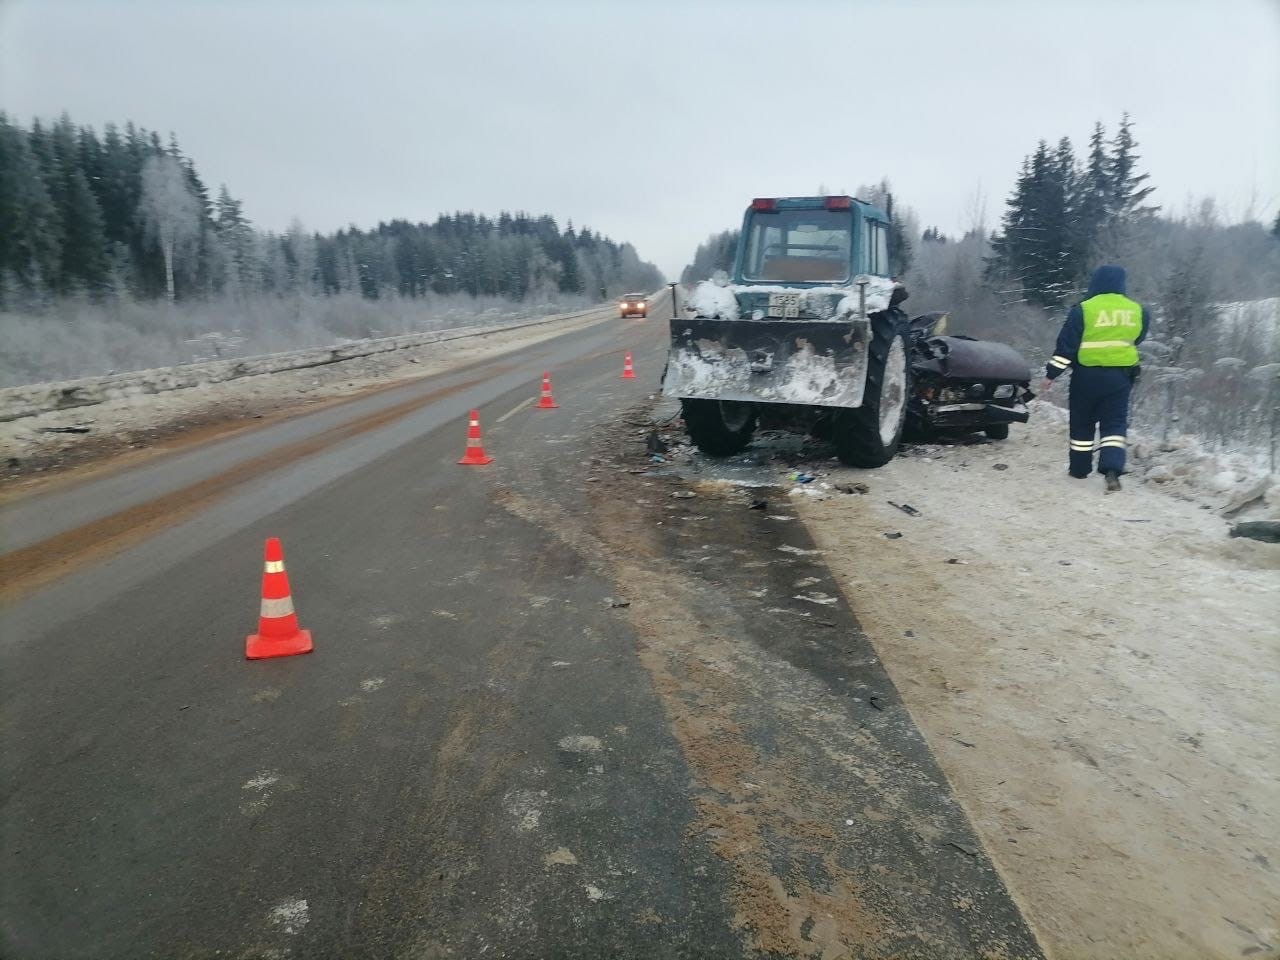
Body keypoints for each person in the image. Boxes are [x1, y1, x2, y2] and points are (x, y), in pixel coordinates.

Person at [1039, 264, 1149, 492]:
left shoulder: (1083, 309)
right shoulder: (1138, 310)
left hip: (1086, 377)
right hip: (1120, 378)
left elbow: (1066, 347)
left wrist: (1051, 374)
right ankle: (1112, 470)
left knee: (1082, 422)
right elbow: (1137, 339)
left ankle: (1079, 469)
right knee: (1115, 423)